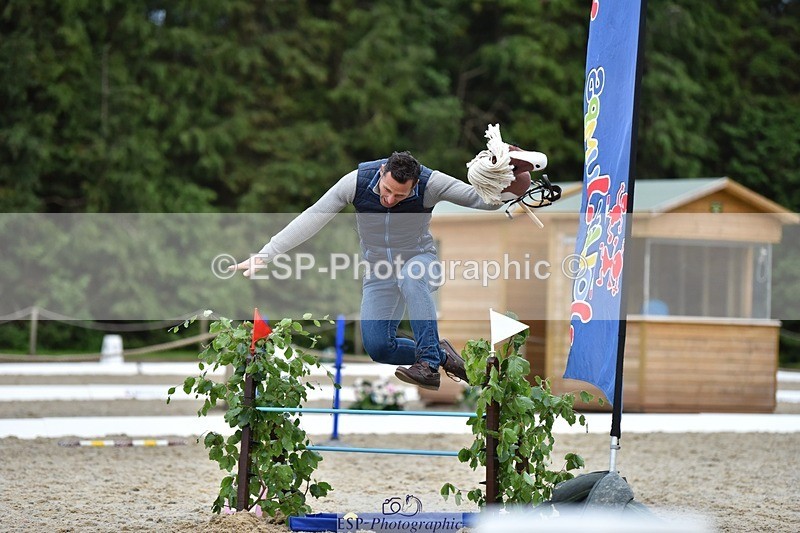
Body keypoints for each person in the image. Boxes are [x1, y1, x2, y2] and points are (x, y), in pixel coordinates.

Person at [229, 151, 503, 391]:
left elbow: (485, 200)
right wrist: (266, 254)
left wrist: (512, 177)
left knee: (412, 277)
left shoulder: (432, 183)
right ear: (382, 172)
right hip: (379, 271)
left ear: (415, 185)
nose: (390, 199)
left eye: (400, 195)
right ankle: (440, 354)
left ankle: (429, 366)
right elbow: (314, 216)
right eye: (386, 190)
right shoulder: (356, 182)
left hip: (419, 260)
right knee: (379, 347)